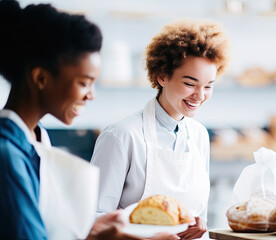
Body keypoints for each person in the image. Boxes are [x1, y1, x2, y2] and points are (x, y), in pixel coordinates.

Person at [0, 1, 178, 239]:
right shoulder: (7, 156)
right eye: (84, 82)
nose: (91, 95)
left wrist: (90, 232)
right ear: (41, 78)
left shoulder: (36, 137)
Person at [91, 19, 229, 239]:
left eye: (209, 86)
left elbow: (197, 212)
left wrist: (197, 225)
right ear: (162, 76)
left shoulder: (199, 135)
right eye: (190, 83)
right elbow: (95, 221)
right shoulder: (121, 135)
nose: (200, 95)